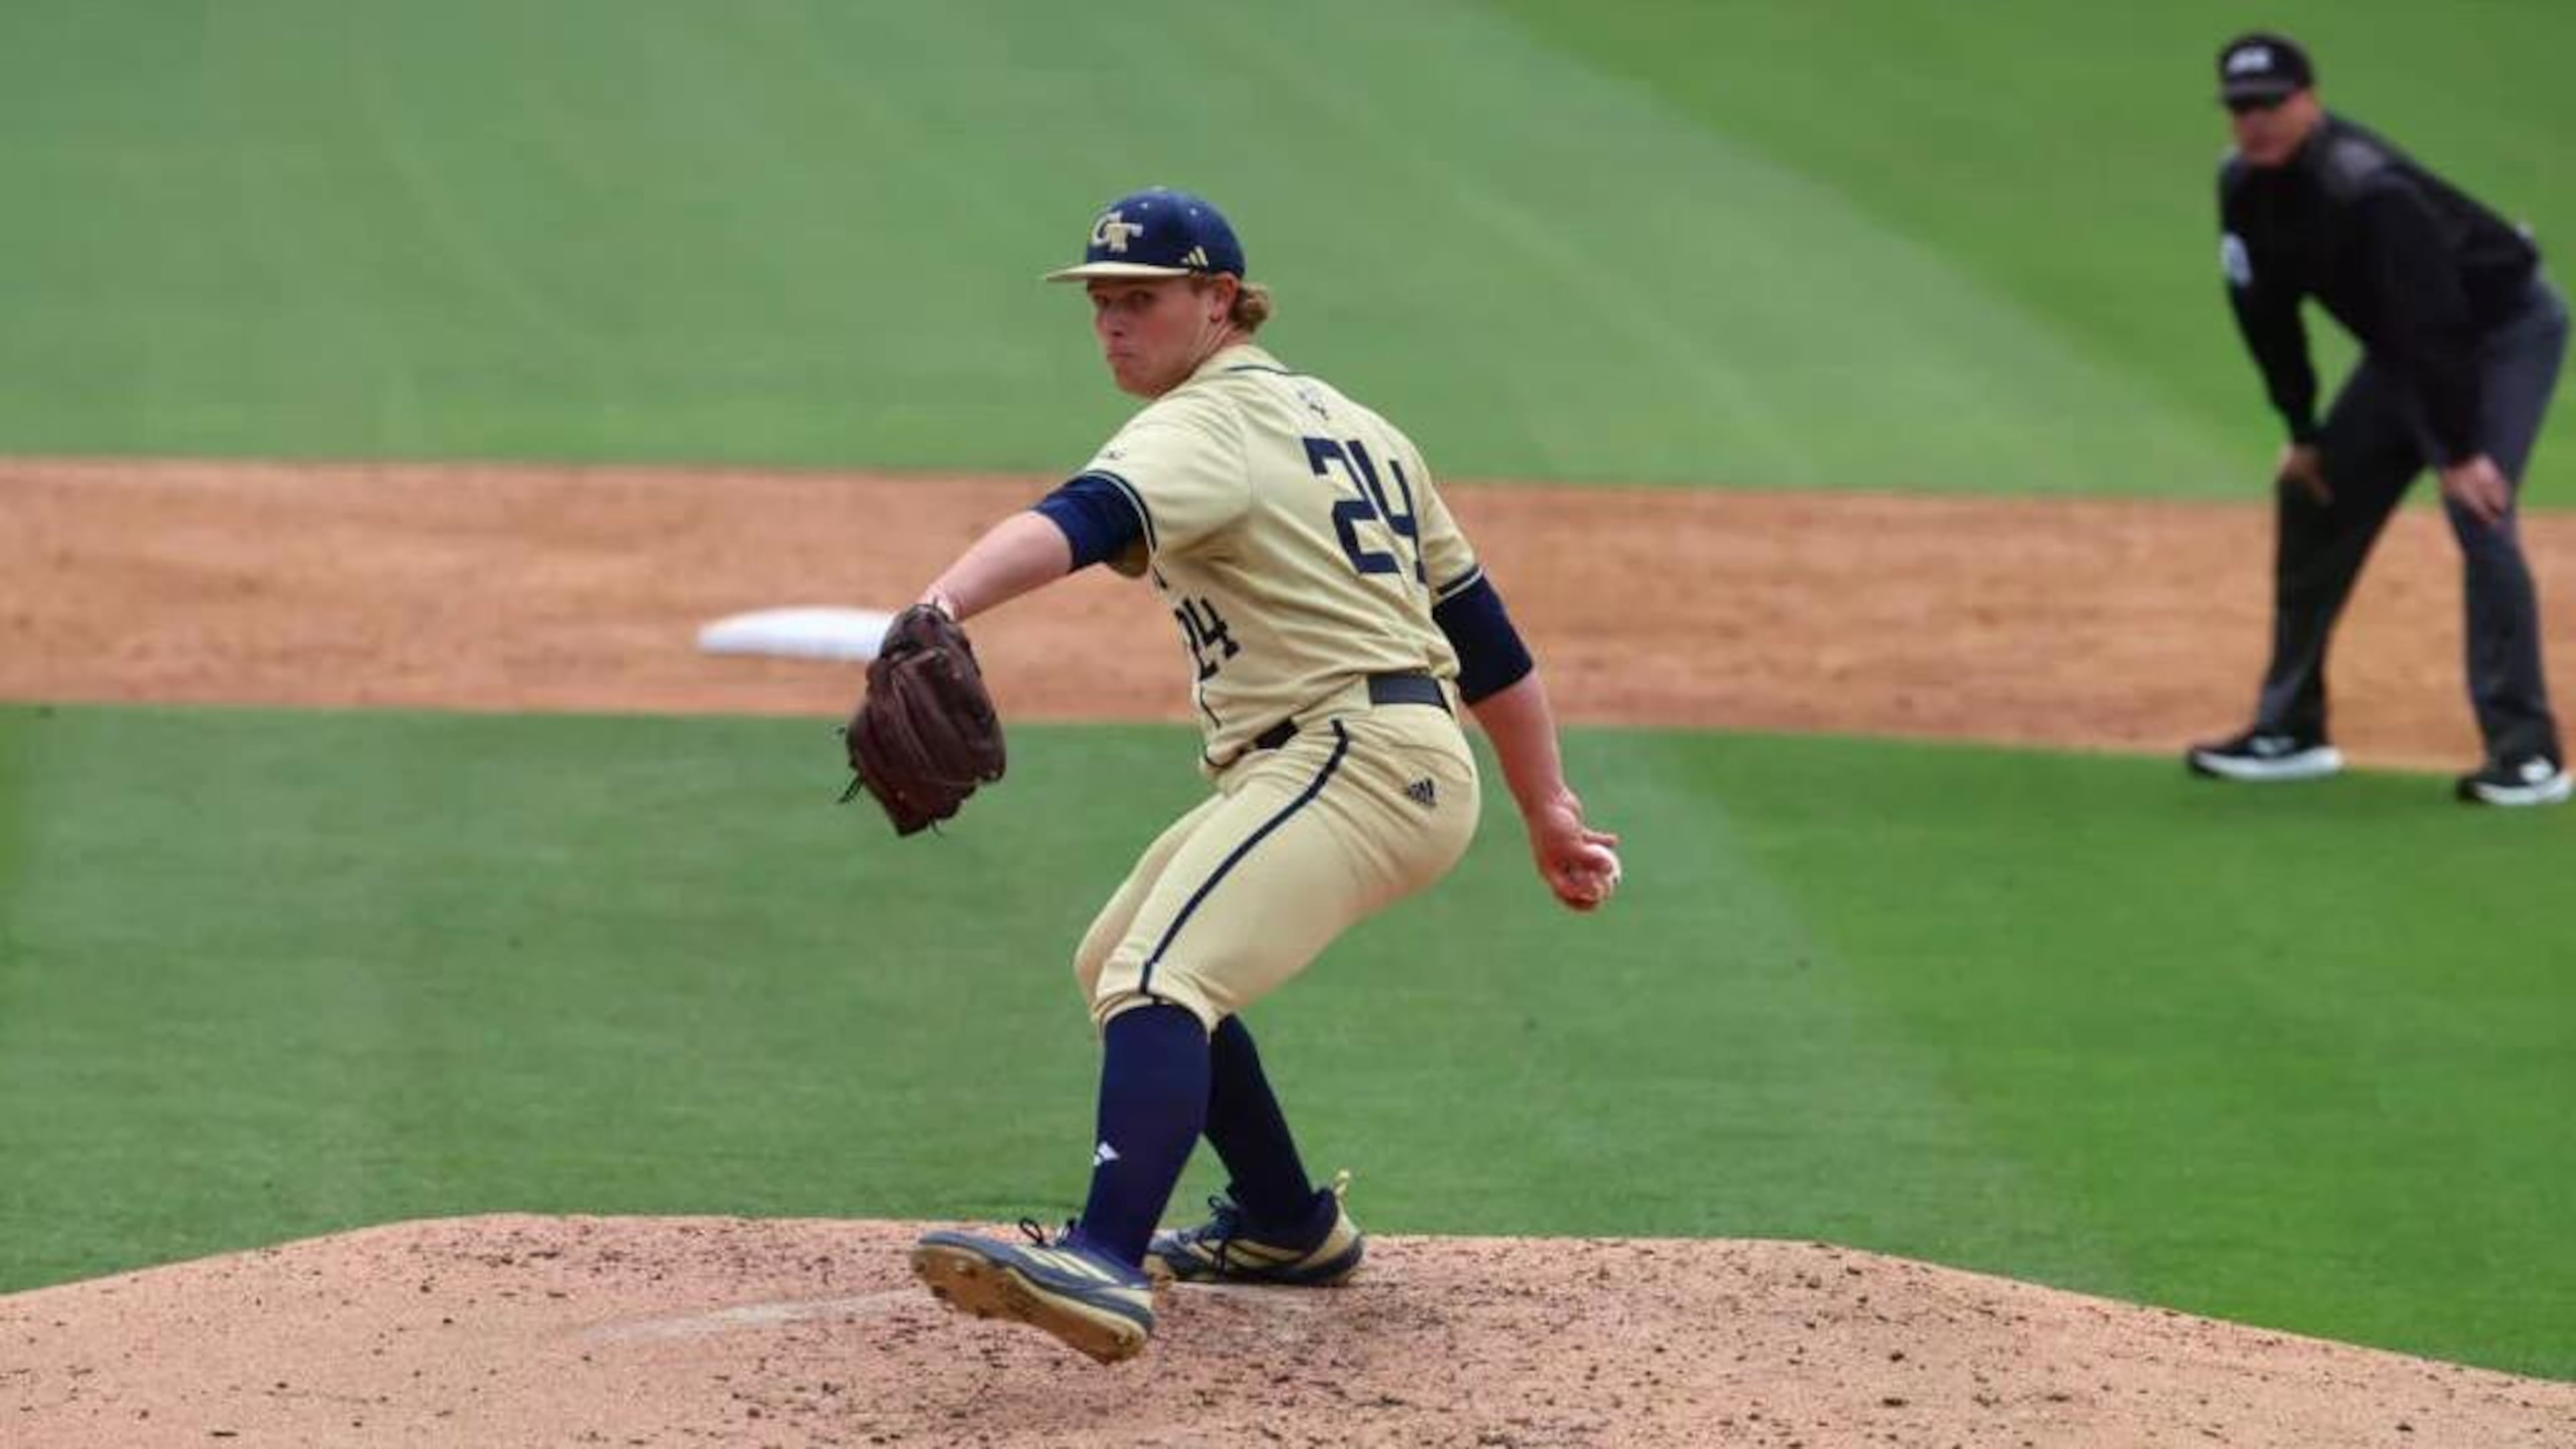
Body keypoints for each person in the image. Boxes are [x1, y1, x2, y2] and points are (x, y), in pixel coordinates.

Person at [904, 188, 1622, 1362]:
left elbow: (1083, 518)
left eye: (1139, 300)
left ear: (1218, 300)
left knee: (1157, 972)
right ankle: (1289, 1223)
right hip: (1376, 759)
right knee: (1119, 961)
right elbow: (1484, 639)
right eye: (1099, 303)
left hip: (1352, 757)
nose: (1112, 325)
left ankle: (1099, 1260)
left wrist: (940, 603)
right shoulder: (1360, 426)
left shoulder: (1205, 424)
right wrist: (1547, 805)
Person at [2186, 32, 2569, 806]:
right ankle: (2291, 728)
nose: (2254, 122)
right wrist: (2302, 433)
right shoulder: (2245, 187)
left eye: (2269, 105)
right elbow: (2264, 314)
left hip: (2497, 331)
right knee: (2314, 496)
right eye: (2240, 109)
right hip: (2412, 347)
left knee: (2480, 512)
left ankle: (2529, 753)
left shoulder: (2367, 190)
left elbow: (2437, 325)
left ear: (2308, 102)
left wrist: (2461, 454)